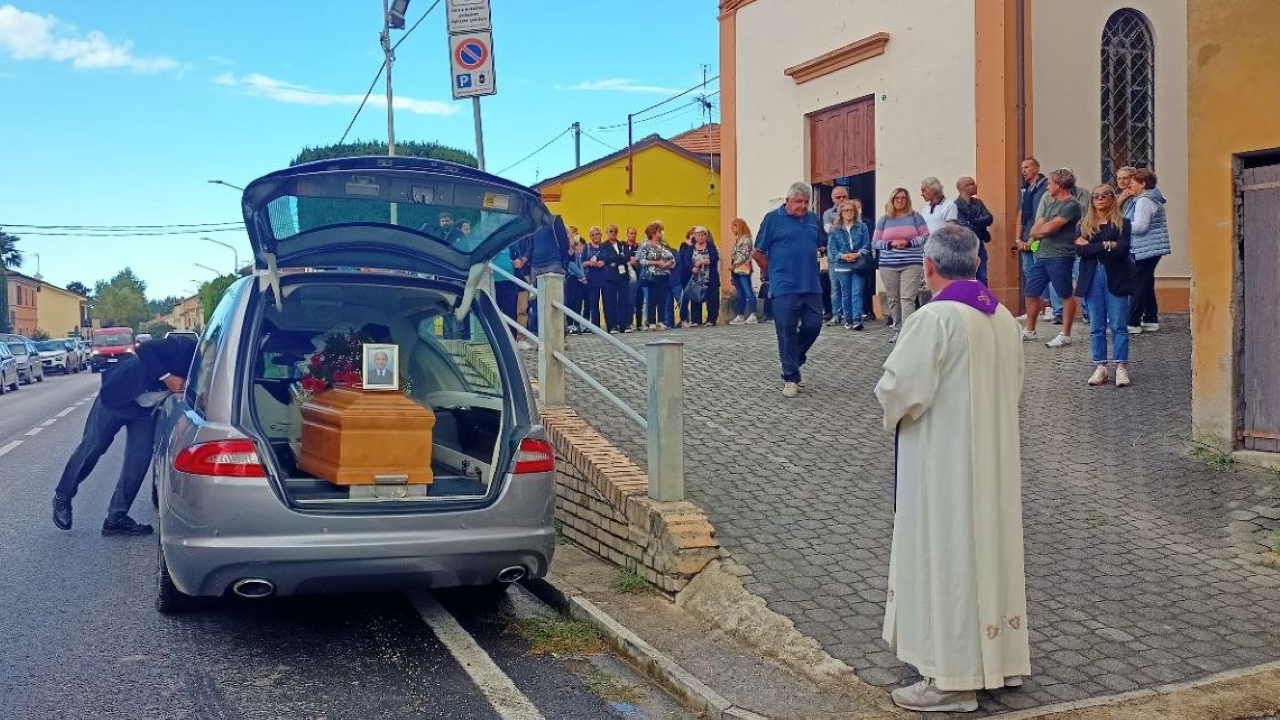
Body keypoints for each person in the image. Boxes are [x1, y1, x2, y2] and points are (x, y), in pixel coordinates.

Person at [875, 224, 1029, 712]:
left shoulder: (934, 318)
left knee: (950, 554)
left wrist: (892, 412)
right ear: (978, 265)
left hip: (944, 464)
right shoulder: (1003, 317)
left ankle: (951, 680)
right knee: (988, 551)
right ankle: (994, 662)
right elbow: (1014, 386)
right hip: (994, 461)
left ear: (929, 267)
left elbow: (899, 388)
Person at [52, 335, 198, 536]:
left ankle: (116, 517)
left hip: (145, 412)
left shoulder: (213, 370)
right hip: (118, 395)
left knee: (138, 461)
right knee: (93, 447)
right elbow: (144, 348)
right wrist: (167, 377)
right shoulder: (184, 345)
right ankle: (62, 496)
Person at [752, 181, 824, 398]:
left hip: (811, 284)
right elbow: (758, 252)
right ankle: (791, 377)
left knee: (814, 325)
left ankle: (794, 358)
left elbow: (820, 244)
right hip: (784, 286)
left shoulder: (812, 220)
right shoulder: (772, 219)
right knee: (786, 330)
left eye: (805, 202)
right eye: (798, 202)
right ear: (787, 201)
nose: (802, 206)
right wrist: (772, 272)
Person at [1074, 185, 1134, 387]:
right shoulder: (1084, 224)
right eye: (1096, 196)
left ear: (1112, 198)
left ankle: (1121, 367)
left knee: (1118, 323)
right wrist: (1108, 245)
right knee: (1096, 325)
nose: (1100, 199)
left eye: (1105, 195)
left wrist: (1091, 246)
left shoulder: (1122, 223)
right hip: (1092, 277)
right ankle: (1100, 366)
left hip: (1115, 276)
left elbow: (1122, 251)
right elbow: (1079, 252)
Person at [1023, 168, 1083, 347]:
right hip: (1042, 255)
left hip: (1060, 255)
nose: (1047, 185)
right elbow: (1035, 229)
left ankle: (1065, 334)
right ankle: (1030, 330)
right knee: (1031, 291)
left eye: (1050, 183)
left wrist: (1043, 230)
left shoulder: (1071, 205)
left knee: (1064, 293)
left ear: (1060, 184)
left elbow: (1049, 229)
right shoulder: (1051, 204)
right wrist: (1042, 230)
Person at [873, 187, 930, 342]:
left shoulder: (915, 217)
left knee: (907, 298)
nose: (900, 200)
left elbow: (925, 235)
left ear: (908, 200)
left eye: (903, 198)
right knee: (893, 299)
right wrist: (891, 244)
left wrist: (909, 243)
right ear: (892, 200)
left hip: (911, 263)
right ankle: (898, 329)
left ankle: (908, 333)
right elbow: (875, 243)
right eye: (897, 198)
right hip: (888, 264)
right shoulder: (884, 219)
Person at [1124, 168, 1170, 335]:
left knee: (1137, 285)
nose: (1131, 185)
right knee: (1146, 283)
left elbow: (1141, 227)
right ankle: (1150, 319)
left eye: (1133, 183)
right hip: (1151, 248)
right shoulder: (1152, 198)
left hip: (1145, 248)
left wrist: (1123, 225)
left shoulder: (1144, 201)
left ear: (1143, 184)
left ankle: (1133, 322)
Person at [1016, 158, 1052, 322]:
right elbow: (1021, 214)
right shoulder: (1025, 189)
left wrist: (1032, 238)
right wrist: (1018, 238)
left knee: (1040, 270)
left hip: (1038, 237)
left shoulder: (1045, 187)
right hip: (1024, 236)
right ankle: (1033, 308)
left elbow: (1043, 215)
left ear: (1036, 168)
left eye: (1027, 167)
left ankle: (1048, 307)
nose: (1023, 170)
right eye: (1022, 168)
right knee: (1029, 271)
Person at [827, 200, 872, 330]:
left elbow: (866, 244)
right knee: (846, 293)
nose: (848, 213)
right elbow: (832, 248)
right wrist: (842, 256)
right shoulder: (835, 230)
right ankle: (848, 319)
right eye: (846, 210)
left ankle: (857, 319)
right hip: (841, 265)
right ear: (841, 213)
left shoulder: (862, 227)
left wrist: (858, 254)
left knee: (857, 292)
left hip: (858, 264)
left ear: (855, 212)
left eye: (851, 210)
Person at [954, 176, 994, 286]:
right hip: (964, 248)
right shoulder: (956, 206)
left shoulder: (978, 203)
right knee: (966, 279)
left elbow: (989, 218)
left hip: (979, 245)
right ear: (963, 187)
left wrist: (973, 221)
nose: (976, 186)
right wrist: (980, 224)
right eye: (972, 184)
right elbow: (965, 227)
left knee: (982, 278)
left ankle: (981, 302)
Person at [636, 221, 675, 329]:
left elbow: (672, 259)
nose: (662, 233)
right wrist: (656, 263)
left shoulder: (664, 245)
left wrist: (666, 264)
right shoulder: (645, 245)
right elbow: (641, 260)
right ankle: (651, 322)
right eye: (660, 231)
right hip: (651, 276)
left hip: (664, 275)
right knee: (652, 299)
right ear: (653, 233)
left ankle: (661, 321)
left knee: (662, 299)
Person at [680, 226, 720, 326]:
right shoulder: (691, 248)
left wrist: (706, 261)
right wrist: (692, 268)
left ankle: (711, 319)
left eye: (703, 235)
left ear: (706, 236)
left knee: (712, 299)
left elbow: (715, 258)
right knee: (695, 299)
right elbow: (687, 262)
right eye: (698, 235)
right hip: (697, 278)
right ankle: (695, 320)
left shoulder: (710, 246)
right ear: (695, 237)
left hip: (710, 277)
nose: (701, 237)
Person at [728, 218, 759, 324]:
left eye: (733, 227)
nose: (732, 230)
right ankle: (740, 315)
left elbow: (743, 254)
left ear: (739, 227)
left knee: (747, 291)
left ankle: (753, 314)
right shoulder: (738, 239)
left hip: (742, 268)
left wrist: (734, 264)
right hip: (736, 269)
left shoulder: (746, 239)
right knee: (740, 292)